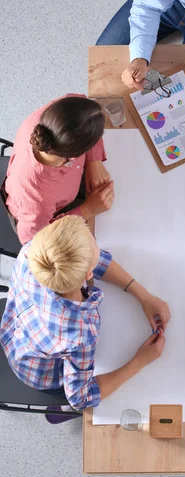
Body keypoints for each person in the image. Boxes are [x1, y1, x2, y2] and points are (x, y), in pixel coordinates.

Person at [0, 216, 170, 421]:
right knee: (79, 403)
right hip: (39, 374)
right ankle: (62, 411)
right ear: (88, 273)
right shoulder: (79, 333)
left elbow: (90, 262)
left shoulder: (33, 249)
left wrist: (143, 295)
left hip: (12, 330)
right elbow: (81, 397)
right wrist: (140, 361)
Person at [4, 95, 113, 245]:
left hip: (65, 185)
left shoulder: (52, 118)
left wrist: (94, 161)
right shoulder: (38, 200)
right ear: (74, 155)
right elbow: (34, 240)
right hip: (45, 221)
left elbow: (78, 99)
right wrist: (87, 210)